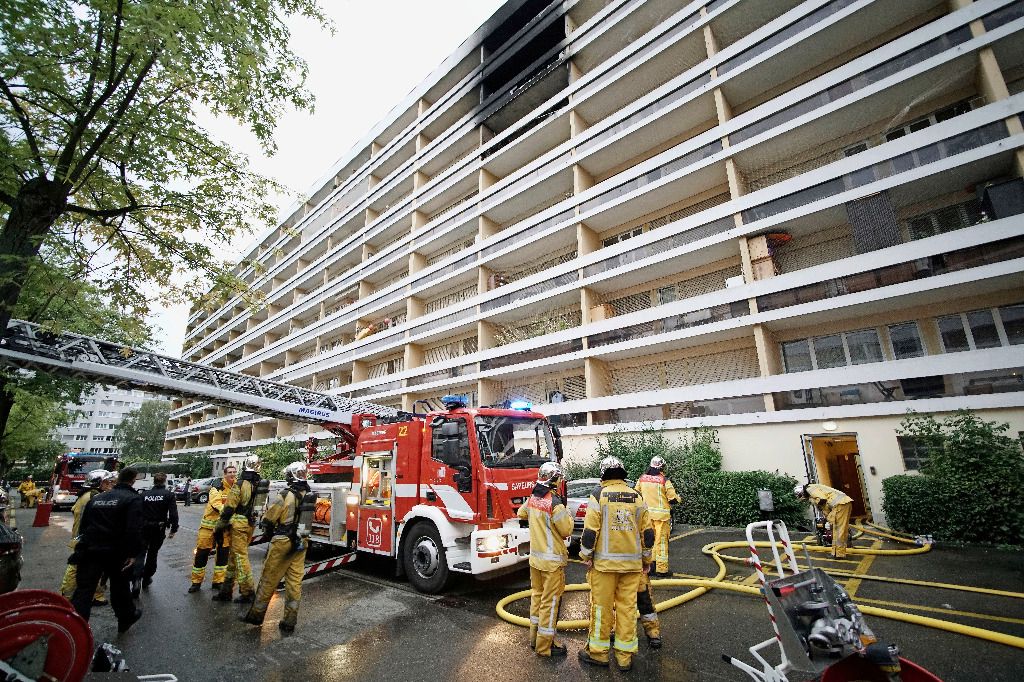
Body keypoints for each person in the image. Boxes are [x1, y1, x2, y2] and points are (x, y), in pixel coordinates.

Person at [578, 456, 655, 671]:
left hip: (604, 568)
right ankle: (624, 658)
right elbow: (648, 534)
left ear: (603, 474)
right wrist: (647, 560)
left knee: (601, 610)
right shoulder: (637, 496)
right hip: (632, 568)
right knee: (627, 610)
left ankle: (599, 654)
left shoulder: (598, 495)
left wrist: (586, 556)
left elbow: (590, 532)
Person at [241, 461, 312, 633]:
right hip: (301, 542)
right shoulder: (308, 494)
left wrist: (265, 525)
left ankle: (256, 616)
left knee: (268, 579)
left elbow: (270, 517)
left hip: (282, 542)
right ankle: (289, 621)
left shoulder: (286, 495)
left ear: (291, 476)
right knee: (294, 583)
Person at [69, 468, 144, 632]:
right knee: (120, 586)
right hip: (116, 552)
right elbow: (134, 529)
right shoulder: (132, 499)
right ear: (133, 480)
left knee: (84, 590)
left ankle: (75, 631)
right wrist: (133, 553)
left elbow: (84, 526)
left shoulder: (97, 498)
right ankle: (125, 618)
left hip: (91, 550)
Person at [517, 461, 572, 658]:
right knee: (550, 603)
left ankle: (534, 638)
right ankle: (544, 646)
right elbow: (566, 530)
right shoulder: (555, 503)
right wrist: (567, 514)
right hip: (552, 564)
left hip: (536, 561)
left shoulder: (533, 499)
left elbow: (521, 513)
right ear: (555, 480)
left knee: (537, 598)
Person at [60, 469, 114, 603]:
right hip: (85, 539)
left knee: (90, 567)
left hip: (83, 537)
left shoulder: (87, 495)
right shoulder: (94, 497)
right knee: (76, 568)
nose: (110, 485)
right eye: (107, 483)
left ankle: (94, 594)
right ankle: (67, 598)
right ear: (99, 483)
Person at [213, 455, 261, 603]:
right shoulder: (259, 484)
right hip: (250, 524)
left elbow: (229, 508)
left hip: (239, 526)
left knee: (240, 558)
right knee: (233, 558)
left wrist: (219, 526)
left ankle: (248, 592)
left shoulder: (240, 484)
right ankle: (226, 591)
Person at [188, 466, 233, 593]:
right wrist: (229, 512)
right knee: (201, 555)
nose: (233, 474)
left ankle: (218, 582)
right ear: (225, 474)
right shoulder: (217, 488)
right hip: (208, 528)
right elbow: (216, 503)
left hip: (224, 529)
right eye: (230, 472)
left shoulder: (236, 488)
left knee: (223, 557)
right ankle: (196, 582)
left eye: (235, 472)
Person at [133, 472, 179, 595]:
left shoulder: (144, 494)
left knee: (140, 554)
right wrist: (174, 529)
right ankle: (147, 578)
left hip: (144, 528)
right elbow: (173, 514)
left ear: (154, 481)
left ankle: (136, 580)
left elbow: (137, 512)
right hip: (158, 528)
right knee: (152, 554)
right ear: (164, 482)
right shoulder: (168, 495)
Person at [635, 455, 680, 577]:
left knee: (649, 542)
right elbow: (672, 498)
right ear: (661, 467)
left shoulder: (642, 479)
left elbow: (636, 494)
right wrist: (679, 498)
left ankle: (650, 567)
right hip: (662, 518)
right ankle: (662, 570)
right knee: (661, 543)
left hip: (647, 516)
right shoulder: (664, 480)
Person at [795, 482, 854, 558]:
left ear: (802, 493)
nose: (804, 499)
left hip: (839, 505)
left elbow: (822, 500)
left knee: (838, 530)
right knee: (840, 530)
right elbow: (824, 502)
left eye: (802, 497)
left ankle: (839, 554)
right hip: (844, 503)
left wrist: (827, 516)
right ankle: (838, 552)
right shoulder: (814, 487)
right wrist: (828, 516)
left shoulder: (809, 489)